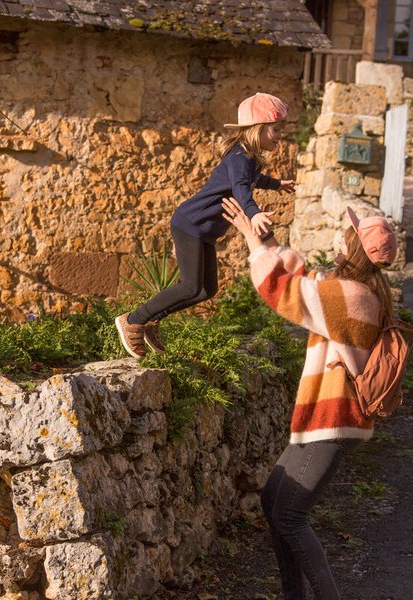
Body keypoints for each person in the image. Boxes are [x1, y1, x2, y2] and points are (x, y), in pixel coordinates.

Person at [222, 196, 398, 600]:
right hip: (327, 419)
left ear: (354, 249)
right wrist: (268, 240)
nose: (339, 237)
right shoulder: (357, 290)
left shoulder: (350, 296)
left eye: (347, 235)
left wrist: (252, 243)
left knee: (289, 516)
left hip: (334, 419)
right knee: (274, 501)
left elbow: (285, 290)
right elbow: (308, 276)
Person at [115, 92, 296, 358]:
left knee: (206, 290)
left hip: (203, 231)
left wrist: (276, 184)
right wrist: (254, 213)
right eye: (276, 129)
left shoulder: (248, 158)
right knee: (190, 286)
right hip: (190, 224)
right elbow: (241, 188)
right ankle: (134, 320)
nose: (280, 136)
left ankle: (152, 319)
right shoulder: (240, 157)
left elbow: (252, 180)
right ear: (258, 128)